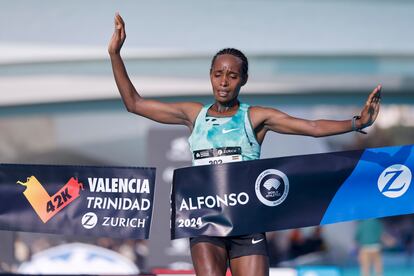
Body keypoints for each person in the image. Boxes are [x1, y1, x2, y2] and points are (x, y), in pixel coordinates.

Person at [108, 13, 381, 276]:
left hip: (248, 221)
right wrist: (115, 54)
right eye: (218, 74)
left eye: (232, 76)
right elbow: (135, 103)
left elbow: (311, 127)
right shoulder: (194, 114)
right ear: (210, 75)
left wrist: (358, 122)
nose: (224, 82)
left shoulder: (256, 117)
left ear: (244, 80)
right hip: (205, 219)